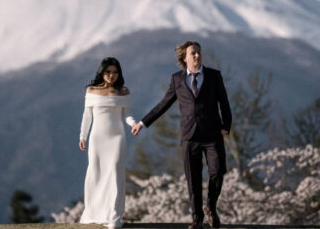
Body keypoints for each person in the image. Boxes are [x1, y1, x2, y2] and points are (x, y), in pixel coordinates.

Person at [132, 41, 231, 229]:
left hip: (212, 135)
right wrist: (143, 123)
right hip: (189, 136)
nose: (197, 56)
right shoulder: (177, 79)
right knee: (193, 179)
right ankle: (197, 218)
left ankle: (211, 205)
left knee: (217, 172)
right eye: (193, 53)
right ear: (184, 58)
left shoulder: (214, 76)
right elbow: (163, 104)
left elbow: (224, 103)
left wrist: (226, 125)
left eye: (199, 52)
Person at [79, 57, 136, 229]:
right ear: (102, 73)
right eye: (108, 72)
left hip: (117, 138)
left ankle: (114, 216)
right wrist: (82, 136)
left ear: (119, 74)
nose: (112, 75)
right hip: (97, 138)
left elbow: (126, 115)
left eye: (115, 72)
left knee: (116, 174)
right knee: (95, 173)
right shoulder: (91, 90)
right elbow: (87, 116)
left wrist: (134, 123)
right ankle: (95, 212)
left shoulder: (123, 92)